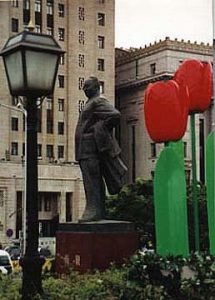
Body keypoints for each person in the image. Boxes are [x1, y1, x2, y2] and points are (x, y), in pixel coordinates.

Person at [75, 76, 127, 222]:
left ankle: (94, 210)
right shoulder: (90, 102)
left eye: (88, 86)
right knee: (90, 179)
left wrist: (98, 128)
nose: (85, 89)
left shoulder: (98, 100)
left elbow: (115, 115)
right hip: (84, 148)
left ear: (97, 87)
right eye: (84, 87)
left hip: (90, 148)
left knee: (92, 179)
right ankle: (96, 209)